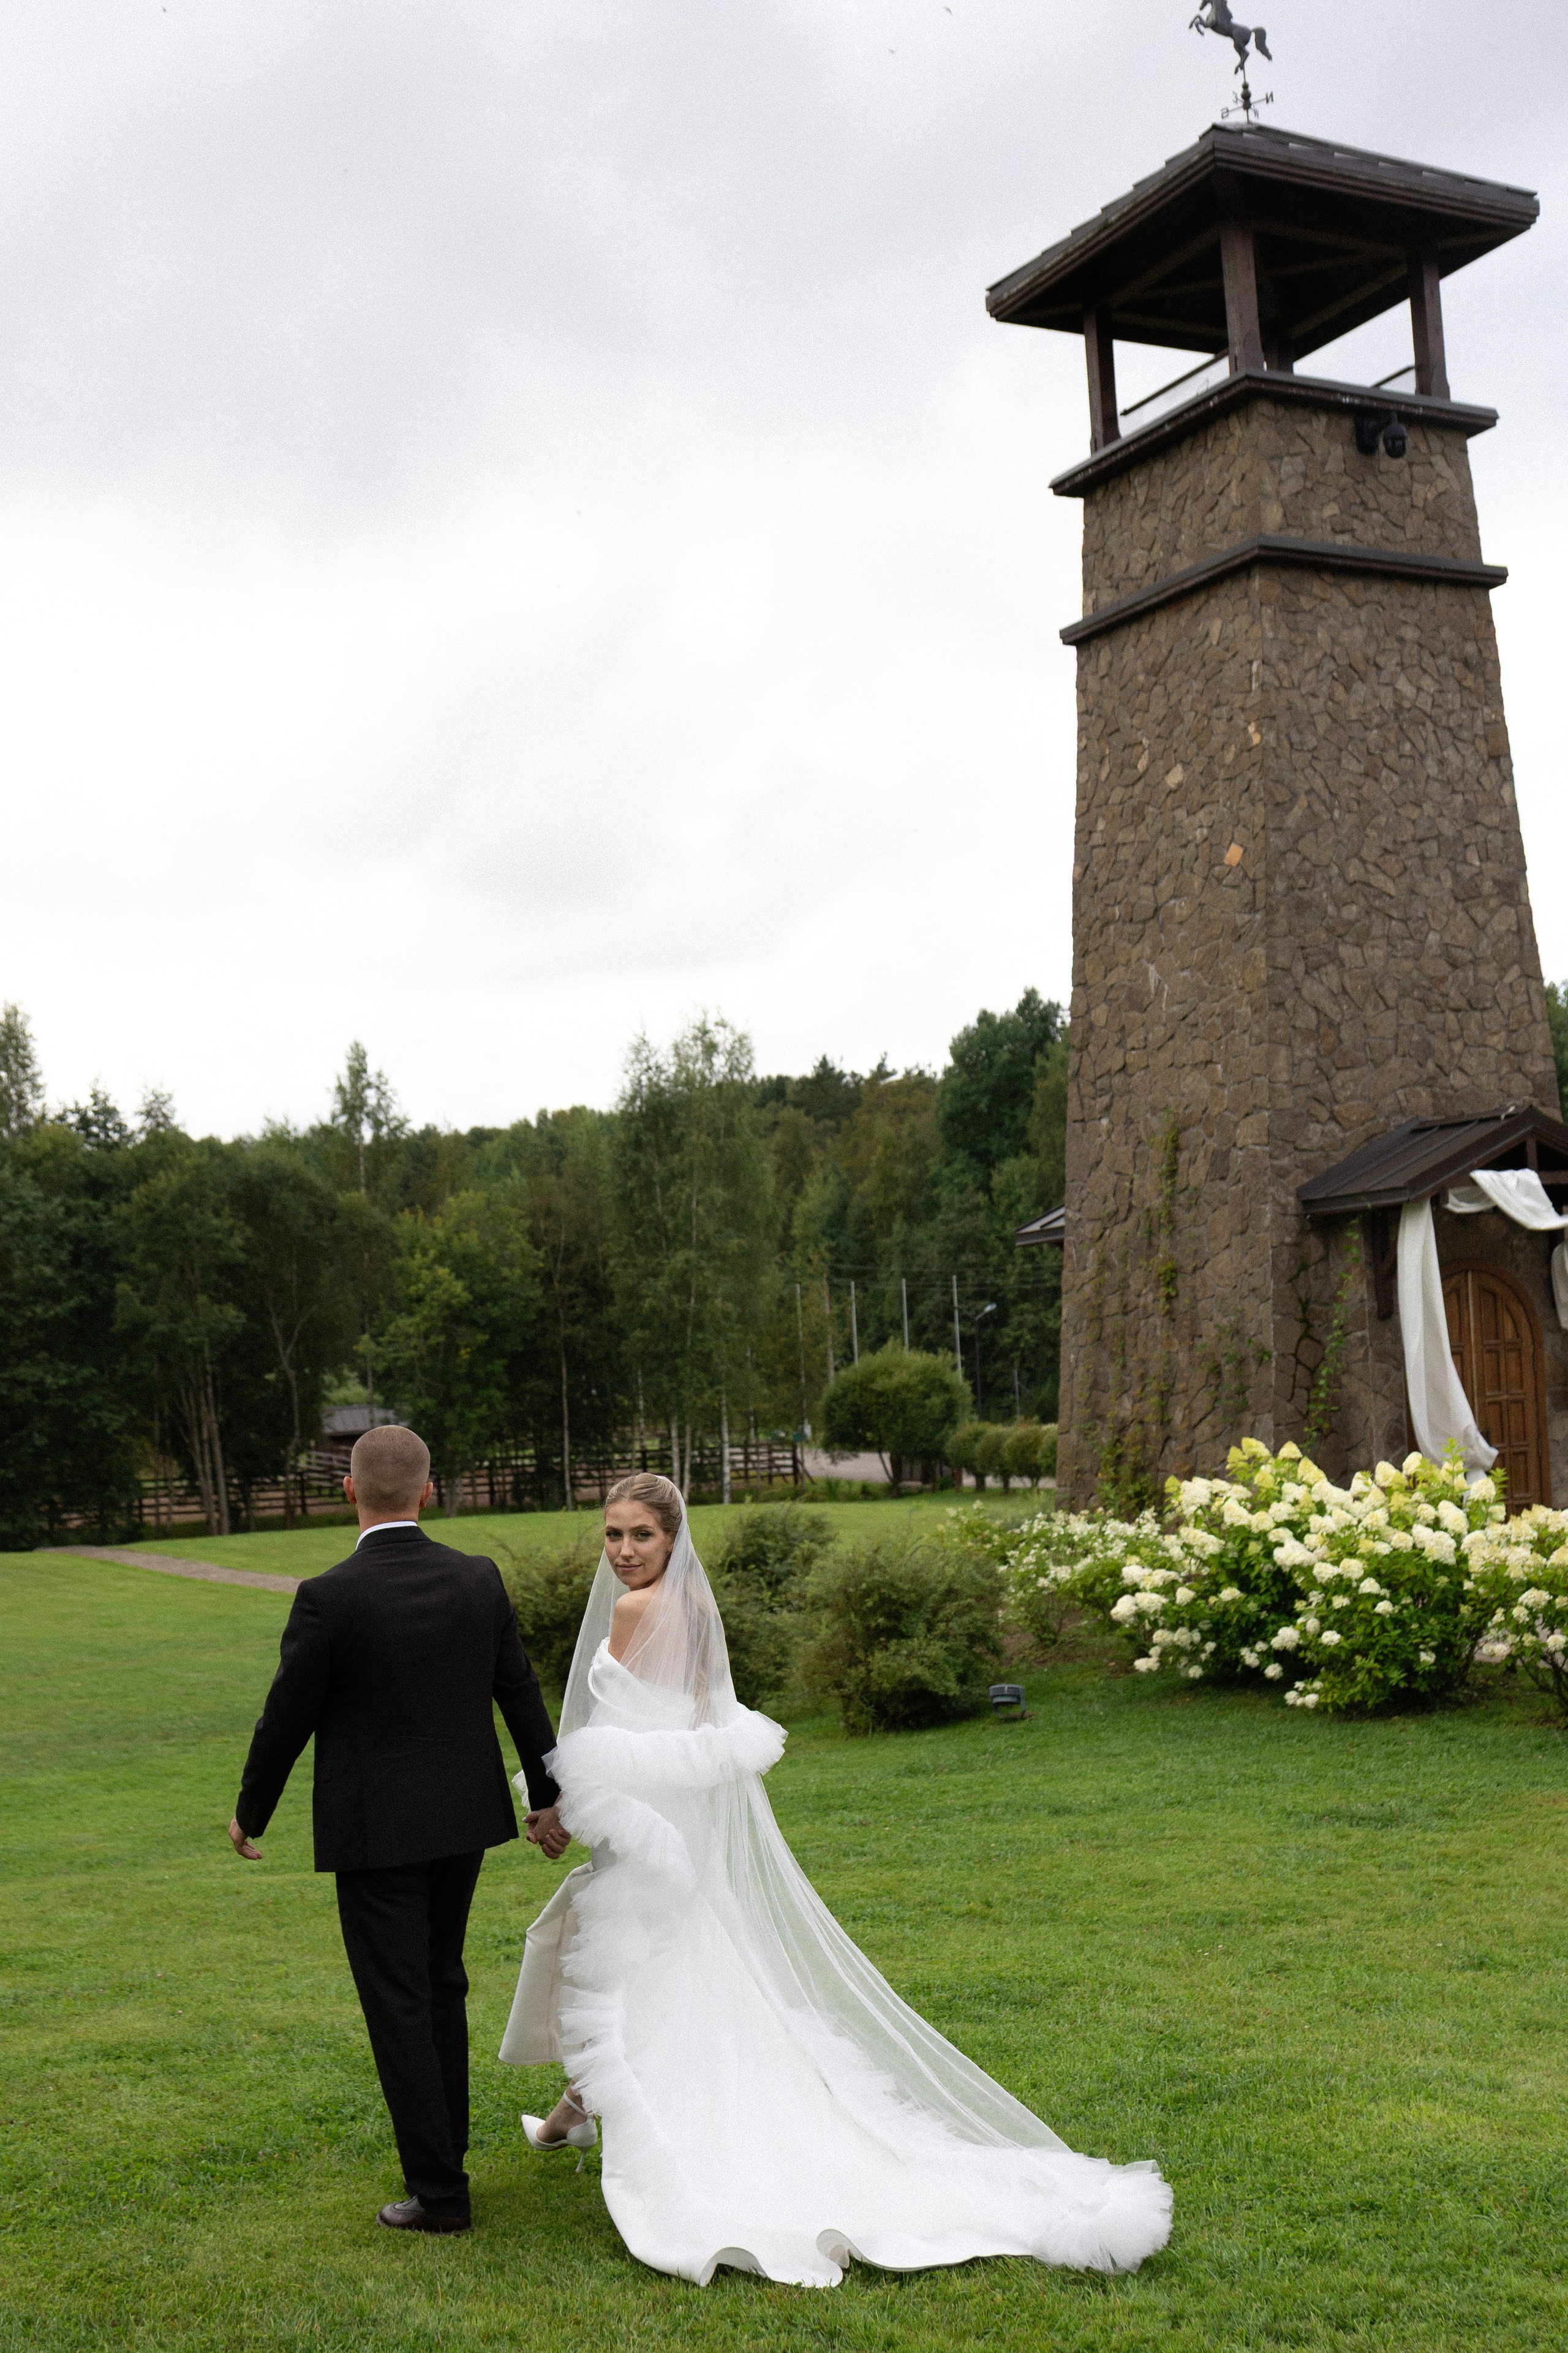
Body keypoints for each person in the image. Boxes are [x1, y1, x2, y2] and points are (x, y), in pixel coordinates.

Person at [499, 1471, 1173, 2286]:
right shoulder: (697, 1607)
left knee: (638, 1977)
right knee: (673, 1966)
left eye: (641, 1534)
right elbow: (699, 1725)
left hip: (651, 1829)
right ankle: (571, 2114)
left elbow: (617, 1734)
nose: (624, 1550)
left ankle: (628, 2125)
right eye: (613, 1534)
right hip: (680, 1822)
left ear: (672, 1537)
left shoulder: (638, 1609)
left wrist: (561, 1806)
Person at [228, 1423, 569, 2235]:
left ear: (348, 1490)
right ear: (429, 1490)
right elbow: (520, 1692)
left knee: (400, 2001)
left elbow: (285, 1719)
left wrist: (251, 1809)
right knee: (440, 1983)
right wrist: (548, 1795)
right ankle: (444, 2160)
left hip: (374, 1831)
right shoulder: (478, 1578)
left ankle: (441, 2194)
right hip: (462, 1821)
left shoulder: (328, 1596)